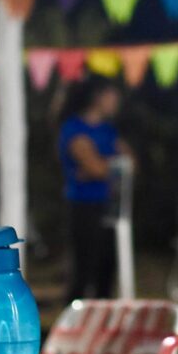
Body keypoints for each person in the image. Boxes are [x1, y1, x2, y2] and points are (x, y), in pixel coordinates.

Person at [57, 76, 131, 301]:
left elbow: (129, 164)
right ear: (97, 97)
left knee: (106, 269)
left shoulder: (108, 130)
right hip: (84, 206)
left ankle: (103, 315)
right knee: (84, 267)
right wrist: (110, 166)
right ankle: (74, 315)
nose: (116, 102)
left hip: (109, 205)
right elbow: (97, 167)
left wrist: (104, 166)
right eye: (112, 96)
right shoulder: (74, 128)